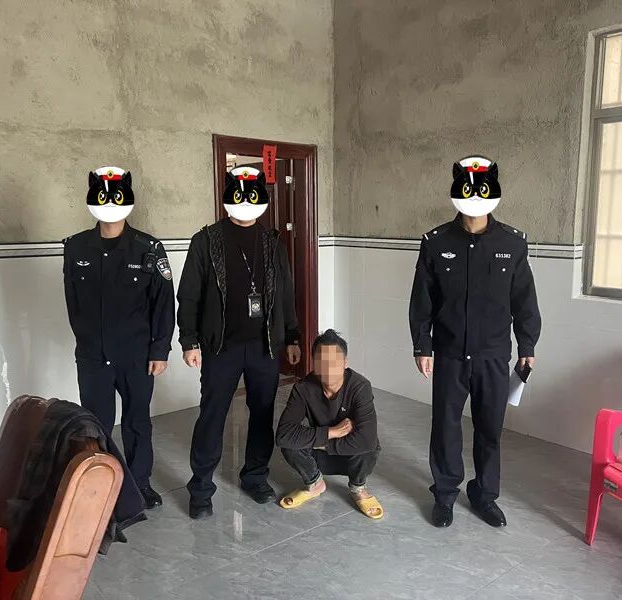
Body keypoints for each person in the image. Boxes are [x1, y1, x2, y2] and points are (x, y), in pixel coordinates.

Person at [409, 155, 541, 529]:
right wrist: (422, 345)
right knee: (445, 427)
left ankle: (484, 496)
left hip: (494, 356)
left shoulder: (512, 243)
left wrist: (527, 346)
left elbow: (524, 300)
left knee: (489, 430)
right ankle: (445, 495)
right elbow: (422, 300)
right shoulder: (436, 242)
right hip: (450, 354)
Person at [177, 166, 301, 520]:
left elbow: (286, 293)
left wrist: (291, 335)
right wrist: (189, 340)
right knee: (212, 415)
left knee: (262, 414)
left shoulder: (272, 242)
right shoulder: (205, 241)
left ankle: (255, 476)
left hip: (264, 347)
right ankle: (201, 488)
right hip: (221, 347)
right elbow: (189, 294)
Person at [63, 166, 175, 510]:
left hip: (136, 355)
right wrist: (86, 342)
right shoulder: (76, 247)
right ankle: (102, 490)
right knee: (95, 427)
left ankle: (139, 484)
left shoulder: (149, 248)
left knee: (137, 422)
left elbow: (163, 304)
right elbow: (72, 302)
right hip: (93, 357)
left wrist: (160, 350)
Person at [276, 330, 383, 519]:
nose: (328, 368)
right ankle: (314, 483)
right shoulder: (303, 388)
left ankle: (358, 487)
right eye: (321, 361)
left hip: (350, 455)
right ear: (314, 363)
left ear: (345, 362)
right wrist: (331, 432)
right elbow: (283, 435)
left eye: (334, 361)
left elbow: (367, 440)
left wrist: (321, 442)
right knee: (289, 445)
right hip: (320, 455)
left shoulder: (360, 386)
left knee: (371, 447)